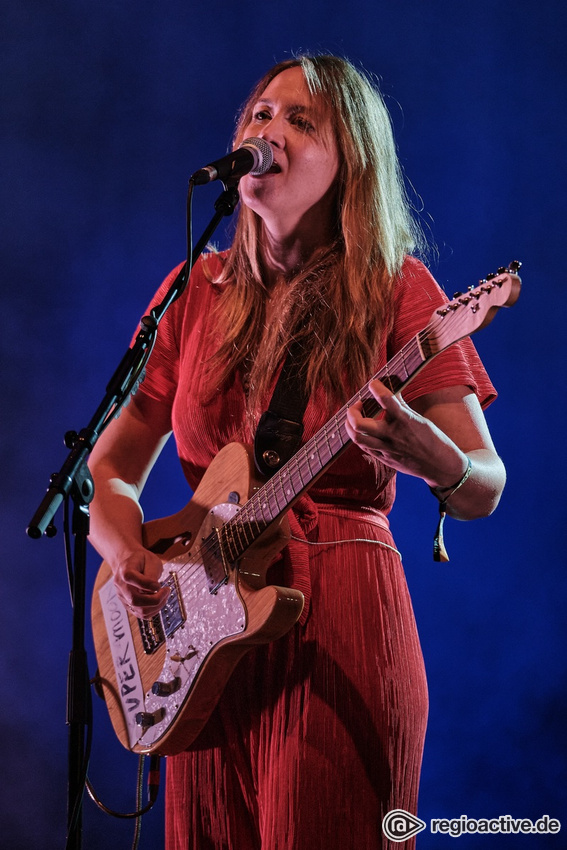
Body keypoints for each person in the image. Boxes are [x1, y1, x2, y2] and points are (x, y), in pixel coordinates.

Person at [88, 54, 506, 850]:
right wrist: (121, 545)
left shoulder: (395, 287)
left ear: (351, 159)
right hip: (202, 637)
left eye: (299, 121)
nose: (267, 131)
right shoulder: (191, 292)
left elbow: (485, 484)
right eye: (257, 116)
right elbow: (108, 468)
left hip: (337, 615)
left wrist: (429, 455)